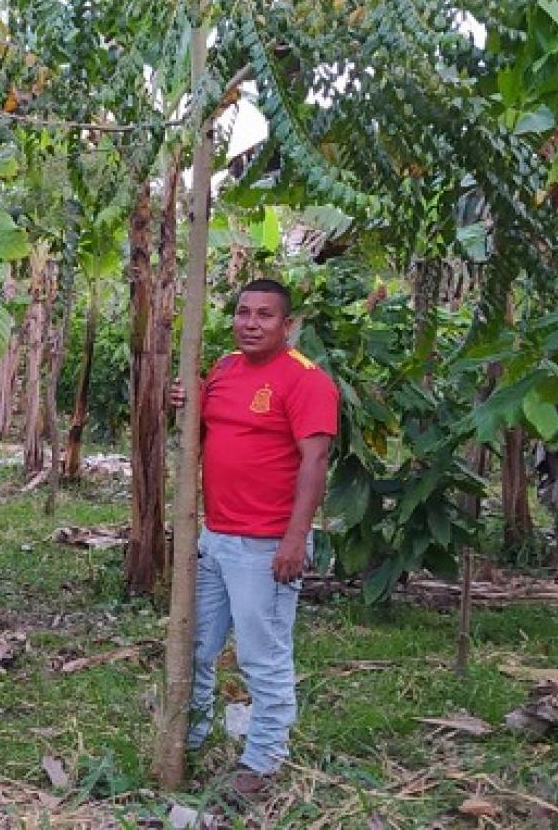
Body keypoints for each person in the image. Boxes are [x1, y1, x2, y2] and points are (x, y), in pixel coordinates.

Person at [169, 277, 338, 792]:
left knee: (261, 656)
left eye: (265, 315)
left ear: (288, 325)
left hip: (266, 544)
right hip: (216, 538)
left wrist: (295, 539)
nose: (251, 323)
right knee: (197, 647)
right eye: (244, 313)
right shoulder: (223, 369)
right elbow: (199, 431)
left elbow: (316, 460)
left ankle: (263, 760)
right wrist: (183, 399)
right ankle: (190, 737)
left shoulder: (306, 380)